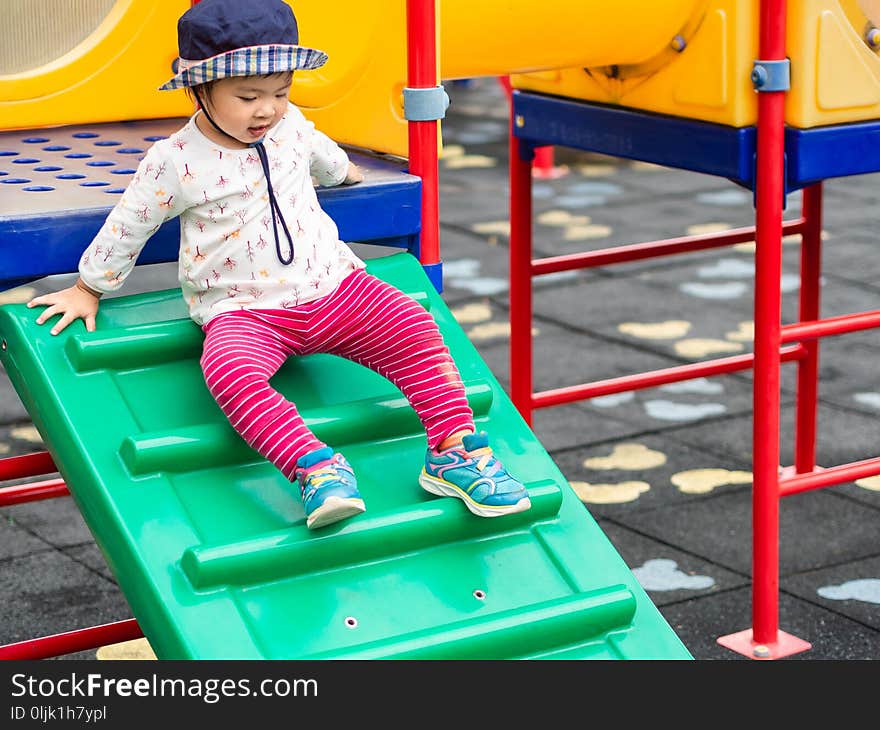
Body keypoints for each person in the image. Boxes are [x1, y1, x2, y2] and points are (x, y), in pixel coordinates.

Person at [27, 0, 531, 529]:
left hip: (334, 287)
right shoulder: (175, 160)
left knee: (411, 321)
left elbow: (321, 153)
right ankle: (316, 467)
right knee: (228, 373)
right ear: (201, 89)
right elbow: (130, 223)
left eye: (280, 92)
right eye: (248, 96)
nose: (267, 109)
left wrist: (344, 174)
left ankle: (454, 451)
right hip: (246, 313)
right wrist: (90, 286)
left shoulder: (289, 125)